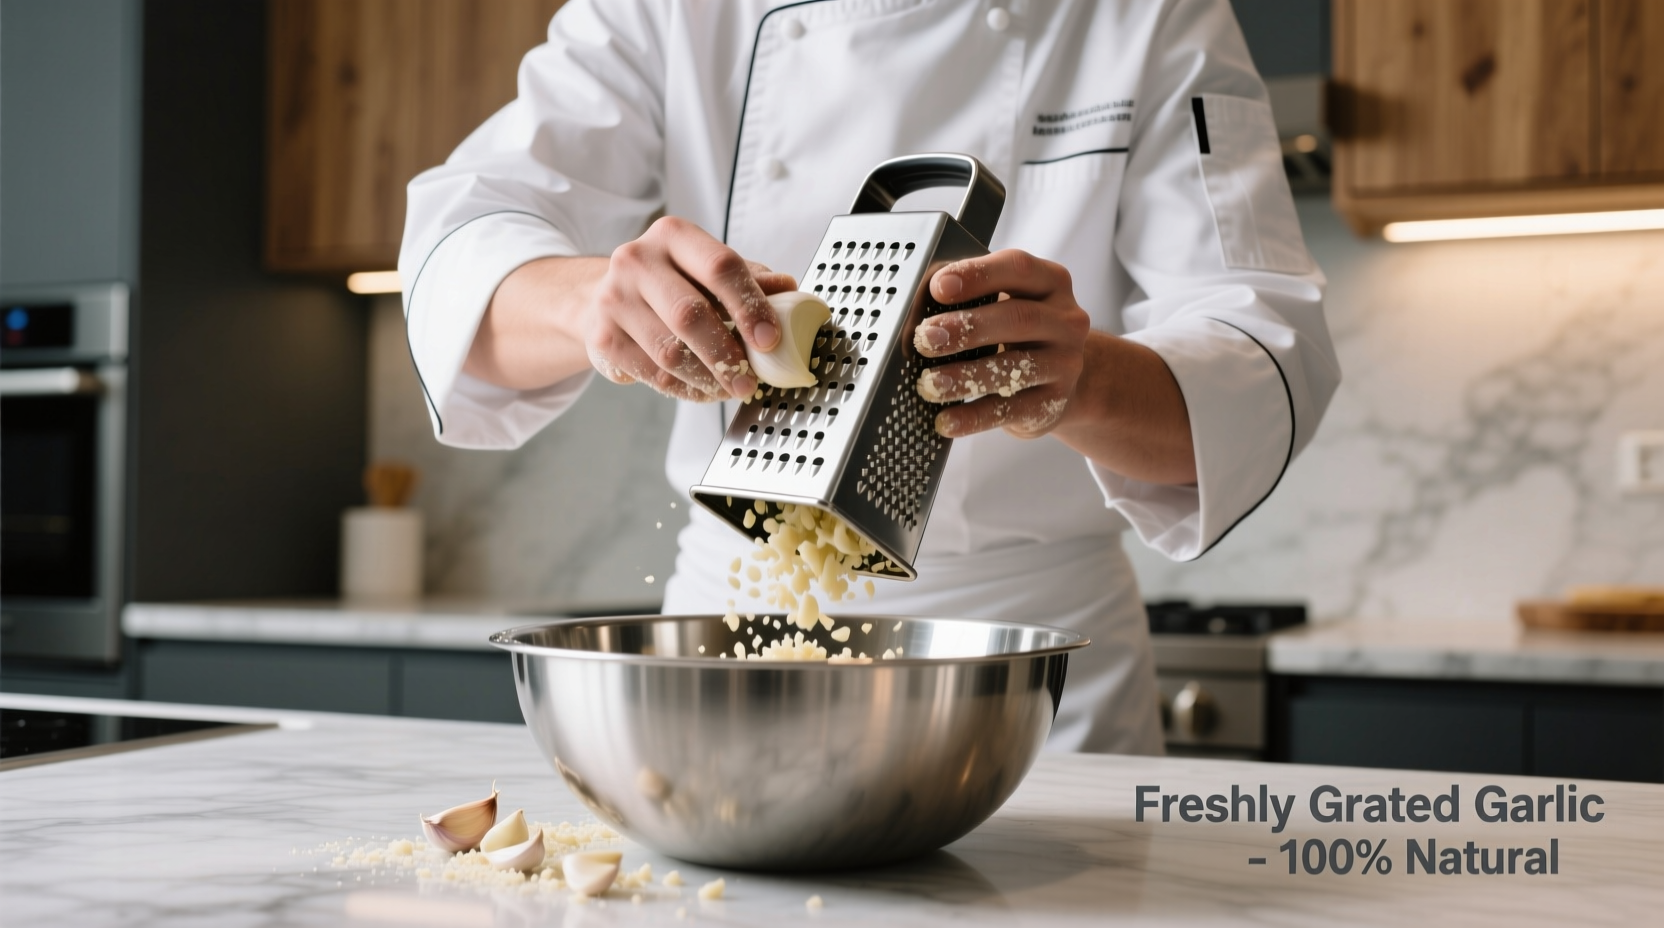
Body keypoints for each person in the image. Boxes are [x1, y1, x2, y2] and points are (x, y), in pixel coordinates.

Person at [399, 0, 1341, 754]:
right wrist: (590, 302)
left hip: (1031, 668)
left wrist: (1080, 379)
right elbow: (460, 247)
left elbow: (1264, 352)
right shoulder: (667, 13)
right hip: (737, 634)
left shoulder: (1147, 13)